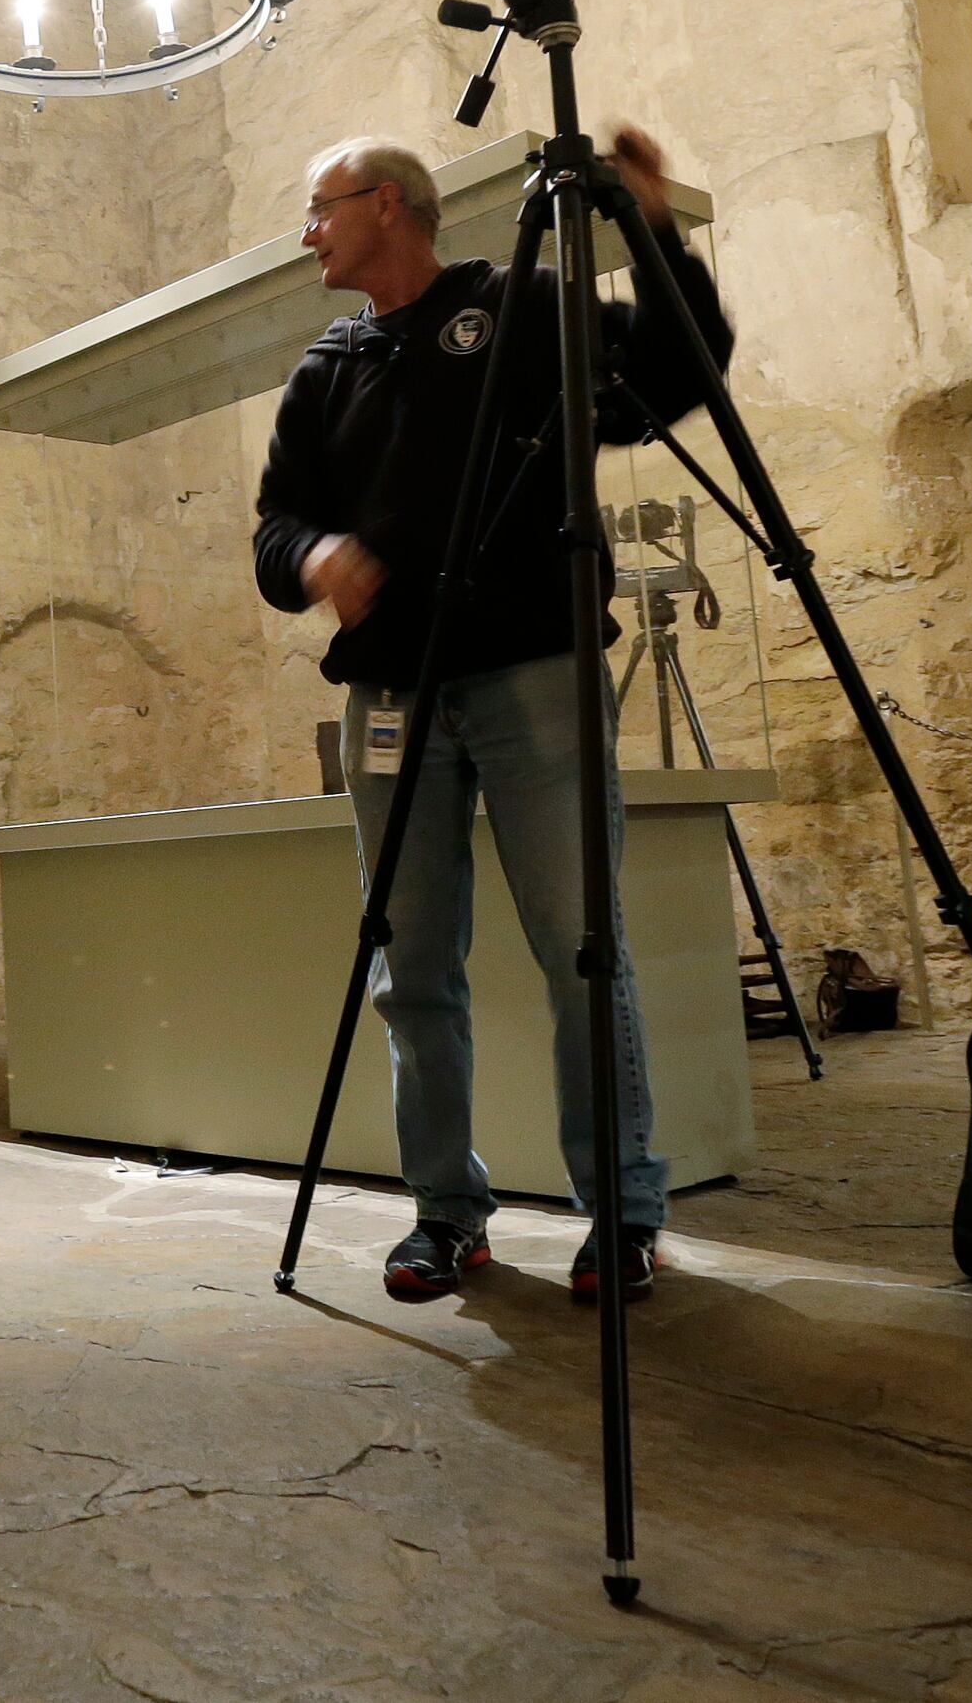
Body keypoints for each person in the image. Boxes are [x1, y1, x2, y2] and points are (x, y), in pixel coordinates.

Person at [251, 130, 734, 1307]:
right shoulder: (326, 369)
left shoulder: (517, 308)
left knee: (582, 950)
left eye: (320, 209)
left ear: (387, 206)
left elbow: (678, 372)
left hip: (531, 676)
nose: (307, 233)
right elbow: (274, 534)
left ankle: (620, 1212)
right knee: (411, 970)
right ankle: (445, 1214)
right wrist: (318, 555)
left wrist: (652, 231)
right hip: (392, 699)